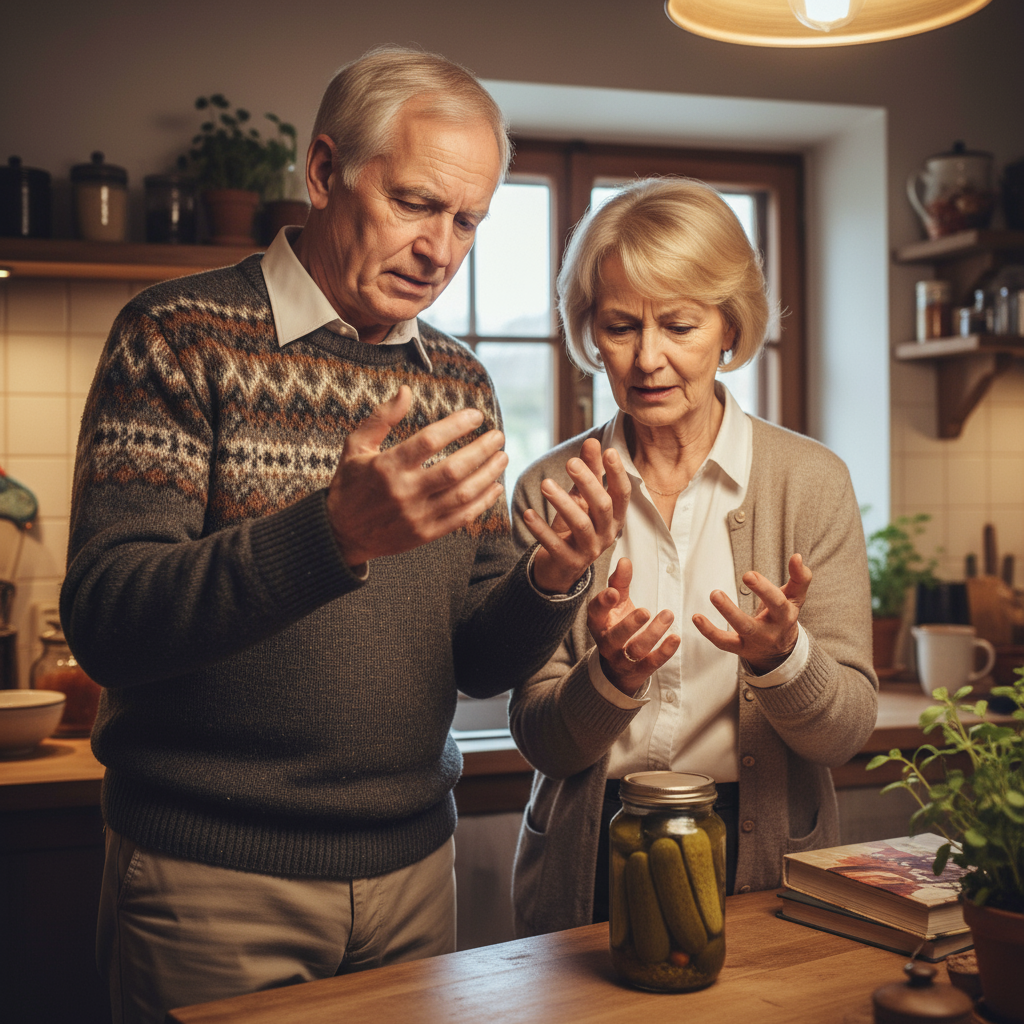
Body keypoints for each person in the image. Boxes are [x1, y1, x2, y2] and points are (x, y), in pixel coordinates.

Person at [61, 46, 628, 1023]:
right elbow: (108, 619)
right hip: (213, 880)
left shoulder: (460, 383)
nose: (441, 249)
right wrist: (331, 533)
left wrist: (550, 577)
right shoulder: (176, 335)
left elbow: (481, 660)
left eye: (468, 221)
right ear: (323, 174)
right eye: (414, 203)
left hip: (415, 869)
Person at [507, 177, 878, 938]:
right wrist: (609, 679)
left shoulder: (811, 483)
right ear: (589, 332)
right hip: (592, 849)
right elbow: (540, 738)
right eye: (619, 327)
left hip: (764, 849)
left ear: (729, 329)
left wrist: (784, 661)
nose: (648, 359)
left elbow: (844, 735)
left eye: (678, 325)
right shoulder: (551, 489)